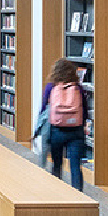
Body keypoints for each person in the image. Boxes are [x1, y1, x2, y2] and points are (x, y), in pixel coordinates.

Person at [40, 58, 89, 191]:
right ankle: (78, 196)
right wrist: (82, 124)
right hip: (76, 131)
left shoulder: (51, 87)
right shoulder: (78, 87)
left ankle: (57, 194)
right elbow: (85, 110)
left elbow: (44, 109)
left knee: (57, 164)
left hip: (57, 130)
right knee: (75, 166)